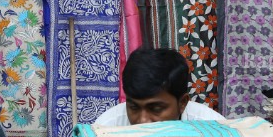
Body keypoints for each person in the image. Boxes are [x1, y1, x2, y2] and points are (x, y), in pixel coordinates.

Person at [94, 48, 223, 127]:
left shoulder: (214, 129)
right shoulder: (106, 129)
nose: (143, 120)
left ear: (182, 102)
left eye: (156, 108)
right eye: (134, 107)